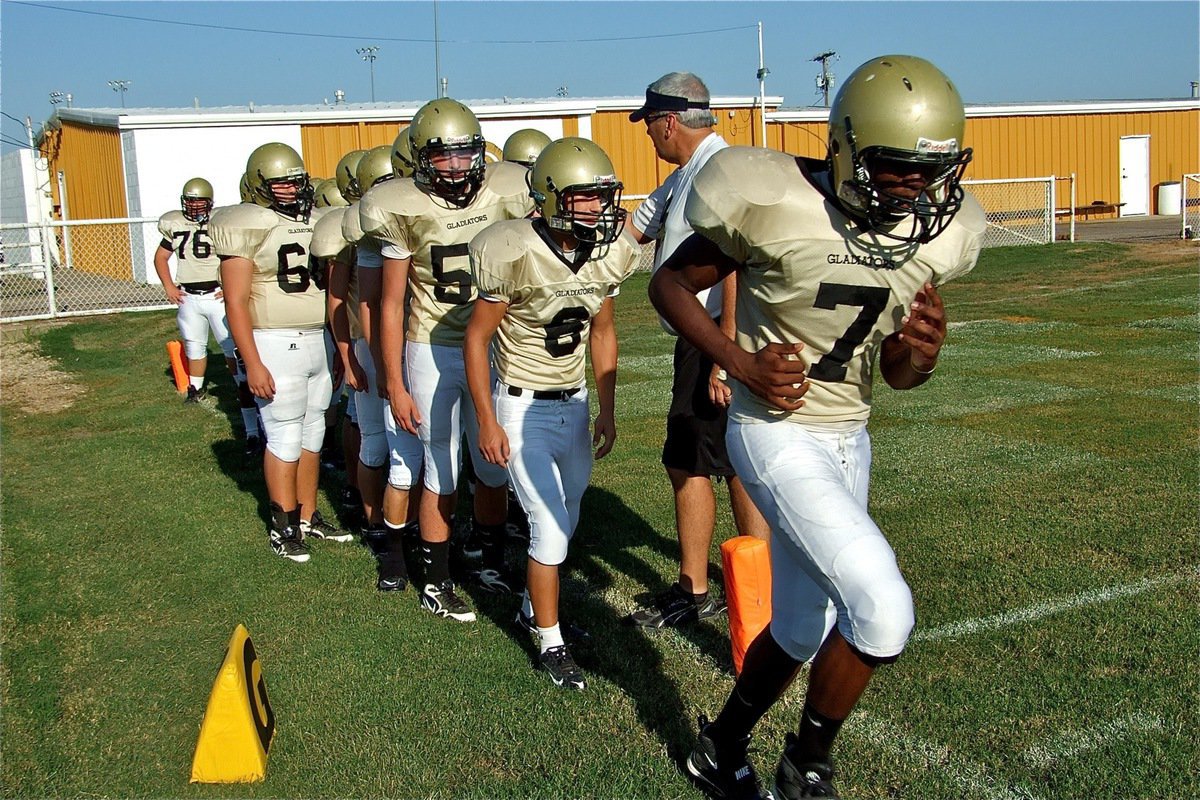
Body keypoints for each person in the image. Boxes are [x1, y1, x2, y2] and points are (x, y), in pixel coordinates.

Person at [648, 55, 986, 799]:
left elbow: (894, 373)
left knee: (802, 626)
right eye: (897, 169)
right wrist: (738, 360)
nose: (915, 190)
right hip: (773, 430)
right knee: (883, 607)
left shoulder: (928, 233)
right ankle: (807, 765)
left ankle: (719, 745)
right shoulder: (772, 196)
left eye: (930, 173)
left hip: (849, 434)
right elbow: (668, 283)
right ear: (847, 149)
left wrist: (921, 355)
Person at [465, 137, 640, 689]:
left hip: (573, 403)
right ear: (548, 196)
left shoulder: (606, 252)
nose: (599, 208)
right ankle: (550, 640)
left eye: (602, 196)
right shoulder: (512, 249)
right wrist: (487, 420)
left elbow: (604, 331)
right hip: (522, 408)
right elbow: (476, 340)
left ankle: (529, 607)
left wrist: (607, 407)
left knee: (568, 518)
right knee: (548, 532)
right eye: (585, 198)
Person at [361, 98, 536, 622]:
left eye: (465, 154)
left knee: (493, 464)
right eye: (444, 158)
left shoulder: (509, 189)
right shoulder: (399, 205)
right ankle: (436, 582)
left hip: (494, 345)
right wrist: (393, 382)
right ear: (419, 158)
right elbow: (391, 304)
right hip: (432, 347)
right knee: (441, 466)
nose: (458, 167)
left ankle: (486, 558)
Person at [623, 72, 770, 630]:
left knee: (696, 462)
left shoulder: (719, 170)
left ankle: (708, 590)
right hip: (706, 338)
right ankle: (740, 587)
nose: (648, 138)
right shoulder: (690, 172)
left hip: (712, 336)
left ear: (667, 122)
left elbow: (734, 262)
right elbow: (635, 228)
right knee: (719, 460)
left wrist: (723, 352)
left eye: (649, 126)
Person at [211, 142, 352, 562]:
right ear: (259, 186)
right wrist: (251, 360)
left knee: (313, 433)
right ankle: (283, 525)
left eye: (297, 182)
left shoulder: (316, 220)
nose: (293, 190)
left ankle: (308, 515)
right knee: (285, 435)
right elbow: (235, 301)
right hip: (275, 341)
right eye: (282, 184)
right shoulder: (246, 224)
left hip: (316, 338)